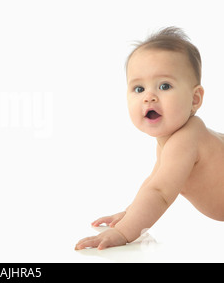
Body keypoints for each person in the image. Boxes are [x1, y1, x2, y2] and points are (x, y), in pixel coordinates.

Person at [76, 27, 224, 250]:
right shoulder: (171, 141)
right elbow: (153, 184)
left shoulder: (187, 139)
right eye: (138, 88)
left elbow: (160, 193)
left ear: (195, 99)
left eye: (164, 86)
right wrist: (129, 213)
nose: (149, 97)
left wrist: (123, 232)